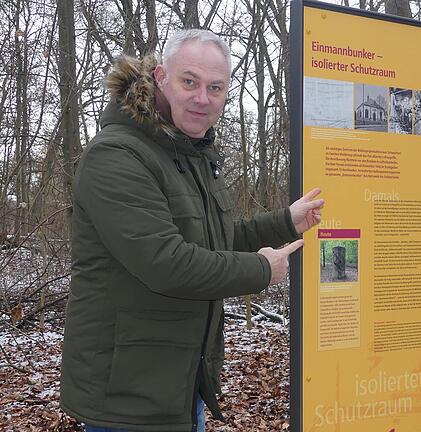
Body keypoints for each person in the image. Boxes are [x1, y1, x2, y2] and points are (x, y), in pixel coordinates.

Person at [59, 29, 322, 431]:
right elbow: (167, 262)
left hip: (179, 385)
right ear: (161, 77)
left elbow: (214, 240)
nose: (202, 98)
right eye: (190, 81)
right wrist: (261, 270)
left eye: (215, 87)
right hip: (126, 397)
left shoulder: (191, 150)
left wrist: (286, 221)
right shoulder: (116, 155)